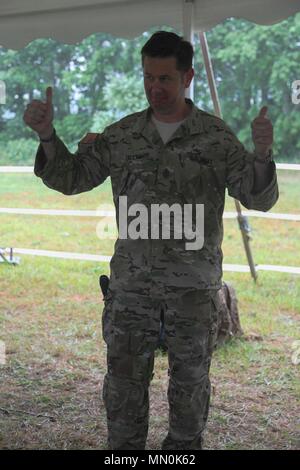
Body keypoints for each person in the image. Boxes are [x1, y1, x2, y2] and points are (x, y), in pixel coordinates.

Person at [23, 31, 279, 450]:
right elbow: (71, 177)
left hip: (192, 292)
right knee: (123, 392)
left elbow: (258, 197)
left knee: (190, 394)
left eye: (165, 79)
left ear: (188, 78)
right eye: (148, 78)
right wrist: (48, 136)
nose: (155, 88)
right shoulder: (122, 136)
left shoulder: (214, 138)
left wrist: (263, 154)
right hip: (132, 291)